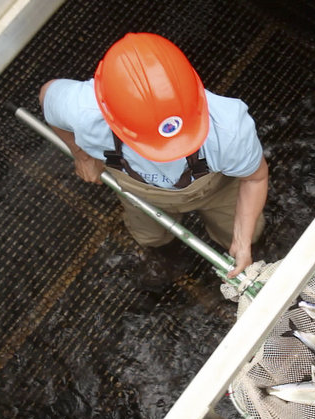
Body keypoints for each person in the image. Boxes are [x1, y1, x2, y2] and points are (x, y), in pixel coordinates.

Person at [39, 32, 267, 278]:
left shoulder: (228, 127)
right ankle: (169, 260)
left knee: (251, 235)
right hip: (140, 194)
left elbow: (254, 178)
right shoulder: (83, 110)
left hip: (217, 190)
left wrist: (242, 241)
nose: (168, 156)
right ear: (108, 115)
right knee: (152, 238)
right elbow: (46, 95)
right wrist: (81, 154)